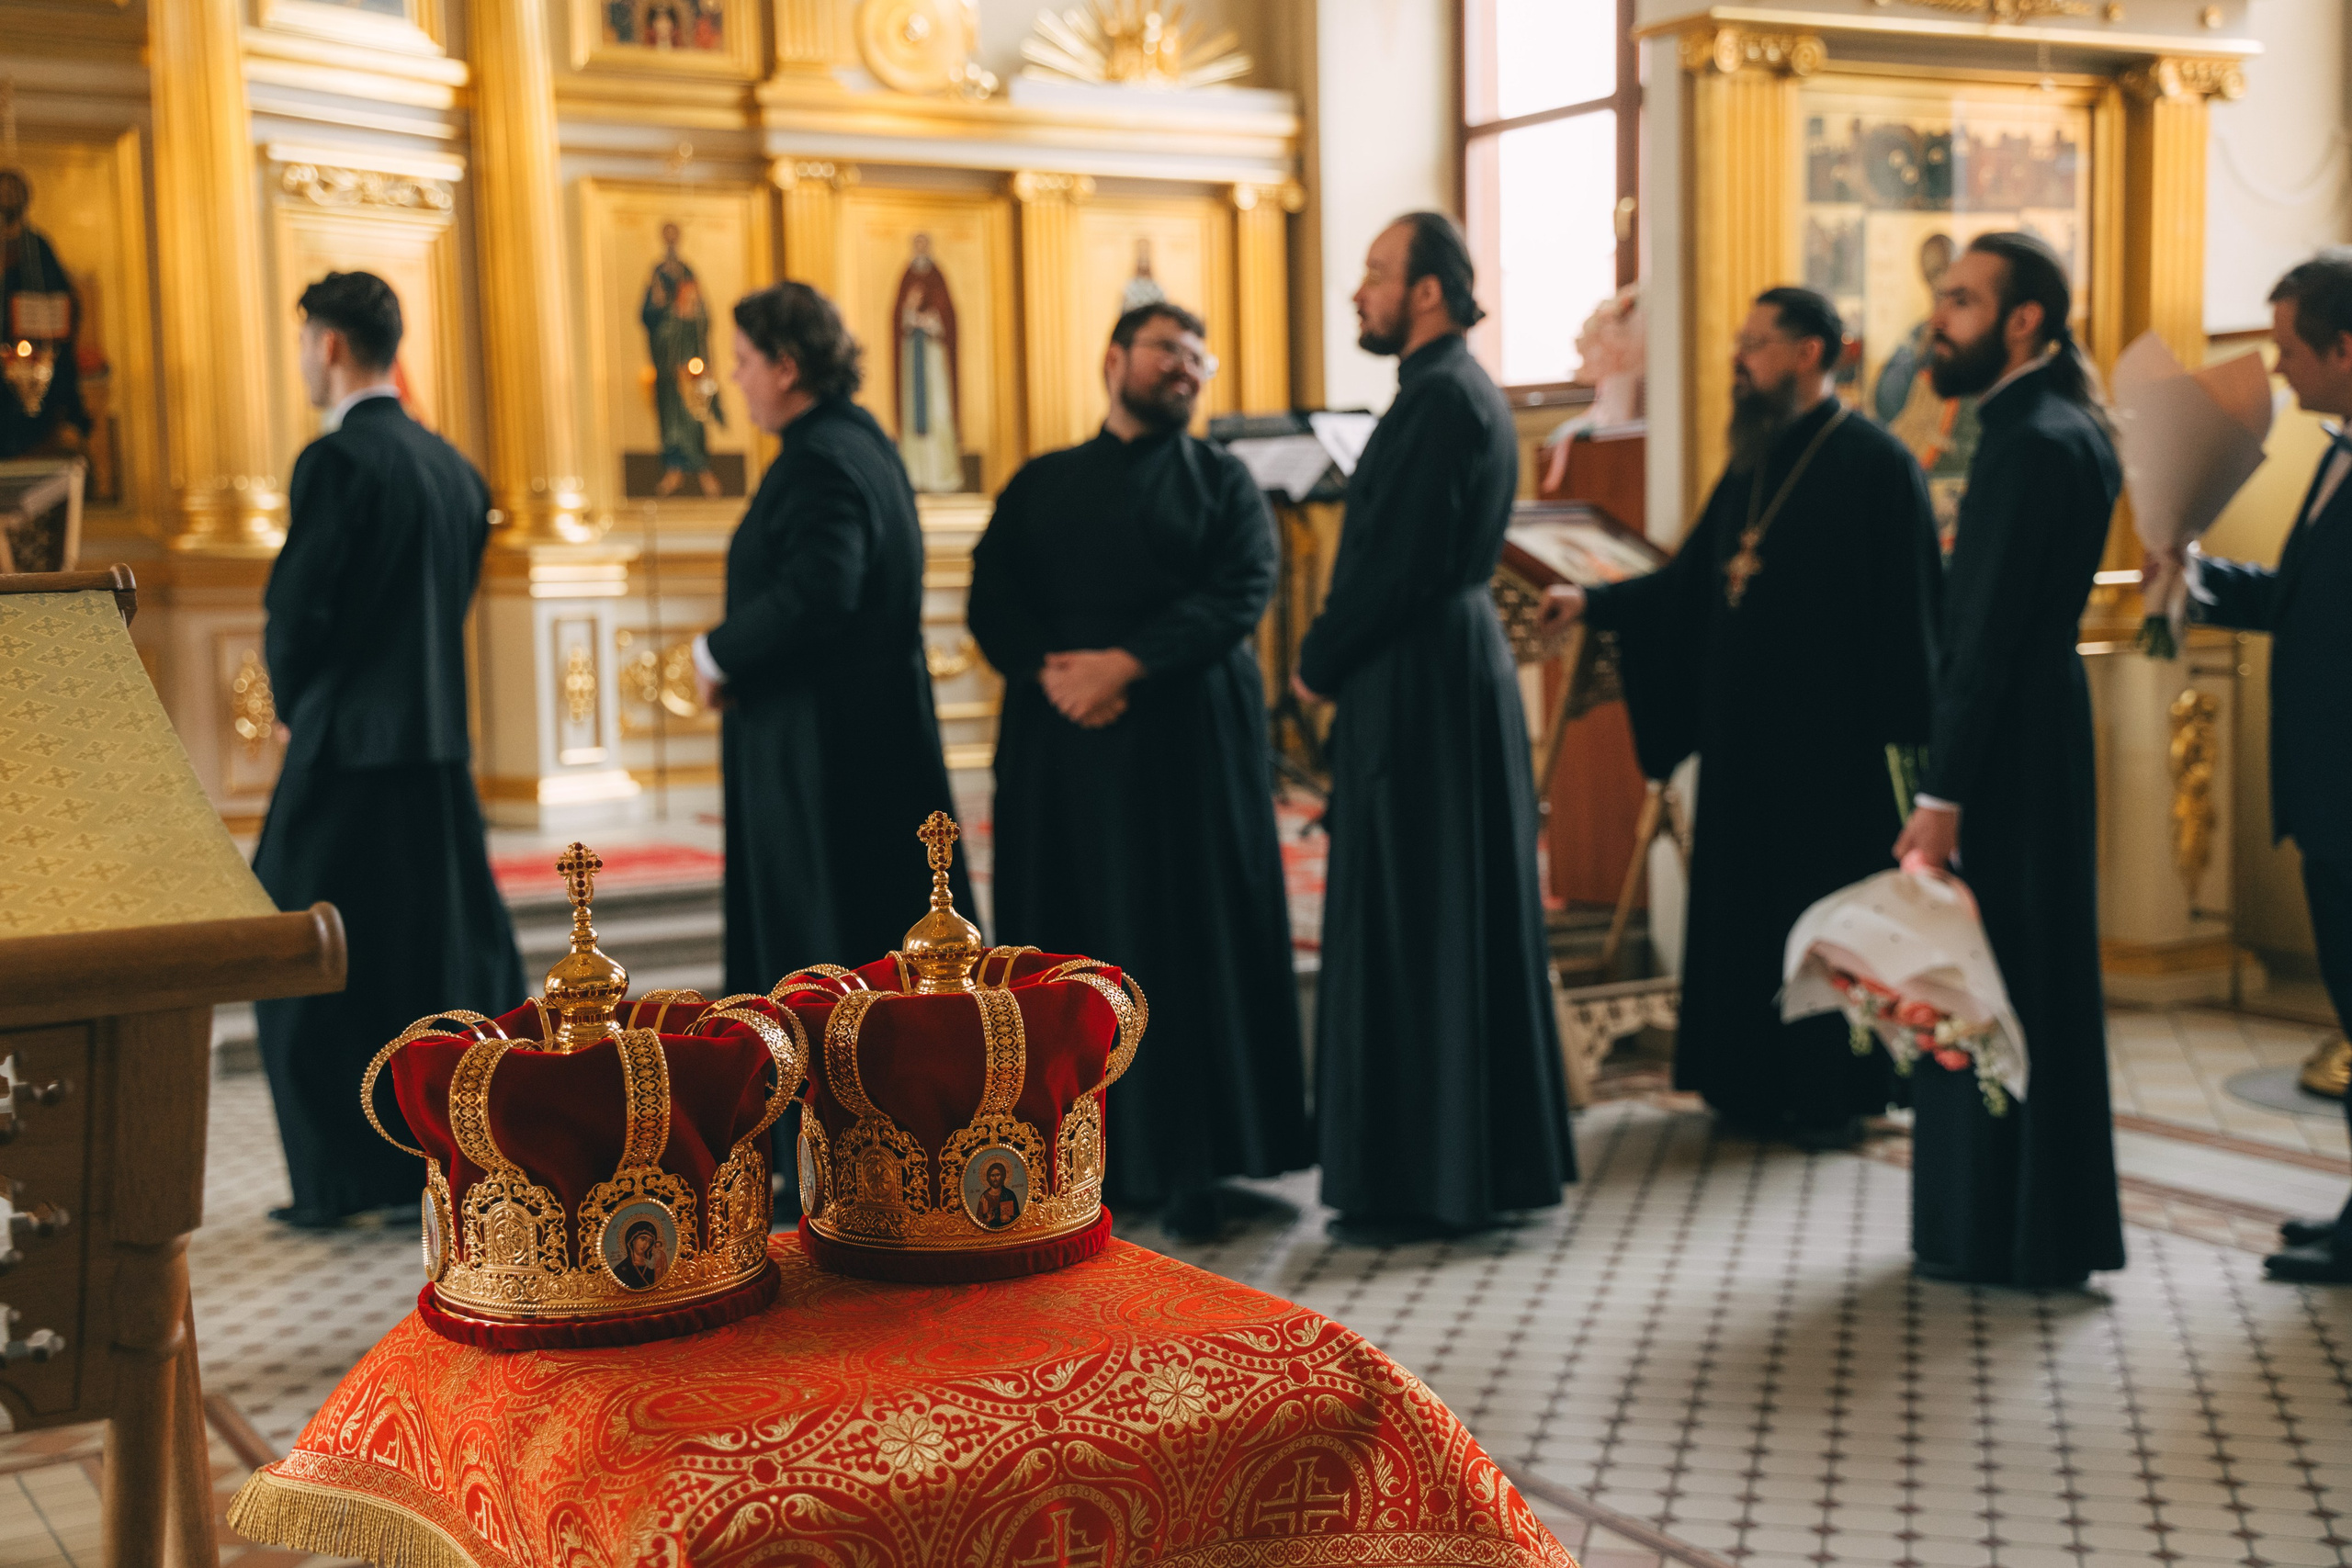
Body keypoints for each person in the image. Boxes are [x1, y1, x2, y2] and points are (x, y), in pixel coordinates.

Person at [1540, 287, 1941, 1149]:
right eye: (1741, 341)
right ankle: (1749, 1083)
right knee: (1745, 920)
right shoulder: (1753, 464)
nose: (1740, 359)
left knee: (1823, 922)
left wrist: (1903, 754)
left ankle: (1834, 1091)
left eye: (1757, 343)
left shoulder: (1875, 463)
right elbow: (1690, 584)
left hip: (1832, 760)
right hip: (1746, 749)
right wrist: (1595, 599)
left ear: (1810, 352)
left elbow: (1910, 619)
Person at [968, 301, 1309, 1241]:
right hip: (1065, 758)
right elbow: (991, 597)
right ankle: (1073, 1156)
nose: (1187, 368)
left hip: (1187, 748)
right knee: (1078, 945)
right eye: (1168, 350)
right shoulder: (1041, 484)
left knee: (1187, 945)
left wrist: (1127, 664)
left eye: (1199, 356)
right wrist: (1054, 670)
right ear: (1113, 358)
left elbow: (1242, 590)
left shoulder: (1224, 483)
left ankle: (1196, 1158)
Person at [1293, 212, 1574, 1239]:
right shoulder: (1450, 392)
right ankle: (1455, 1165)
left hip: (1416, 679)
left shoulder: (1438, 401)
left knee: (1416, 915)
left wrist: (1317, 662)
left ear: (1424, 292)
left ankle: (1421, 1178)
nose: (1357, 294)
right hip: (1443, 669)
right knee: (1445, 909)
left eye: (1373, 275)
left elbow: (1391, 564)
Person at [254, 271, 525, 1229]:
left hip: (346, 752)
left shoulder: (337, 463)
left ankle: (338, 1182)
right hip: (438, 755)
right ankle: (442, 1163)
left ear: (328, 344)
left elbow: (298, 607)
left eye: (303, 342)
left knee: (301, 957)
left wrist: (295, 703)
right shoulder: (453, 467)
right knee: (437, 964)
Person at [1891, 231, 2124, 1289]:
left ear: (2022, 318)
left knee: (1989, 975)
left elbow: (1980, 633)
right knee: (2029, 975)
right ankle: (2034, 1225)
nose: (1937, 320)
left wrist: (1940, 793)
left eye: (1959, 302)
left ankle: (1996, 1228)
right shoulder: (2063, 421)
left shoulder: (2028, 436)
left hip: (2005, 745)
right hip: (2043, 726)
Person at [2146, 249, 2352, 1285]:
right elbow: (2304, 601)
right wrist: (2197, 576)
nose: (2277, 371)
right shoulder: (2336, 452)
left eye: (2286, 349)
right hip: (2325, 793)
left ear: (2344, 347)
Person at [694, 280, 969, 996]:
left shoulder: (818, 458)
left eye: (745, 359)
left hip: (826, 757)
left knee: (826, 968)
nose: (735, 376)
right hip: (868, 737)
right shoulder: (861, 439)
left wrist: (716, 652)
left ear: (787, 367)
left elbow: (821, 590)